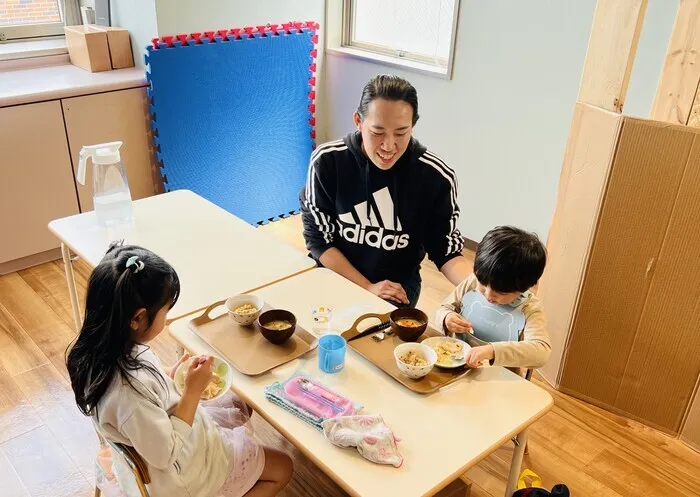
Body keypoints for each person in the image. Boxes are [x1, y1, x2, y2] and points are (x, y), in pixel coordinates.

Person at [66, 243, 292, 497]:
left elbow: (149, 390)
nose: (167, 317)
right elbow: (166, 453)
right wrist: (192, 391)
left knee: (242, 402)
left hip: (168, 442)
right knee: (284, 467)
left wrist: (172, 374)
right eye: (166, 310)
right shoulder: (129, 396)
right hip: (181, 478)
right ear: (138, 318)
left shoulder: (104, 350)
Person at [300, 74, 471, 307]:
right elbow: (319, 242)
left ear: (413, 126)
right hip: (335, 273)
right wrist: (367, 287)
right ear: (358, 121)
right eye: (377, 132)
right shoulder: (328, 161)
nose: (389, 146)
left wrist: (482, 288)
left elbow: (446, 250)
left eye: (401, 133)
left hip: (396, 286)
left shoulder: (435, 176)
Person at [435, 226, 551, 373]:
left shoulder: (528, 308)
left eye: (501, 293)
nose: (489, 295)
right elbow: (444, 308)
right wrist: (447, 317)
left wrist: (492, 351)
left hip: (498, 380)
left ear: (524, 287)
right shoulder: (472, 282)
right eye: (483, 284)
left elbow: (542, 352)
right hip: (455, 365)